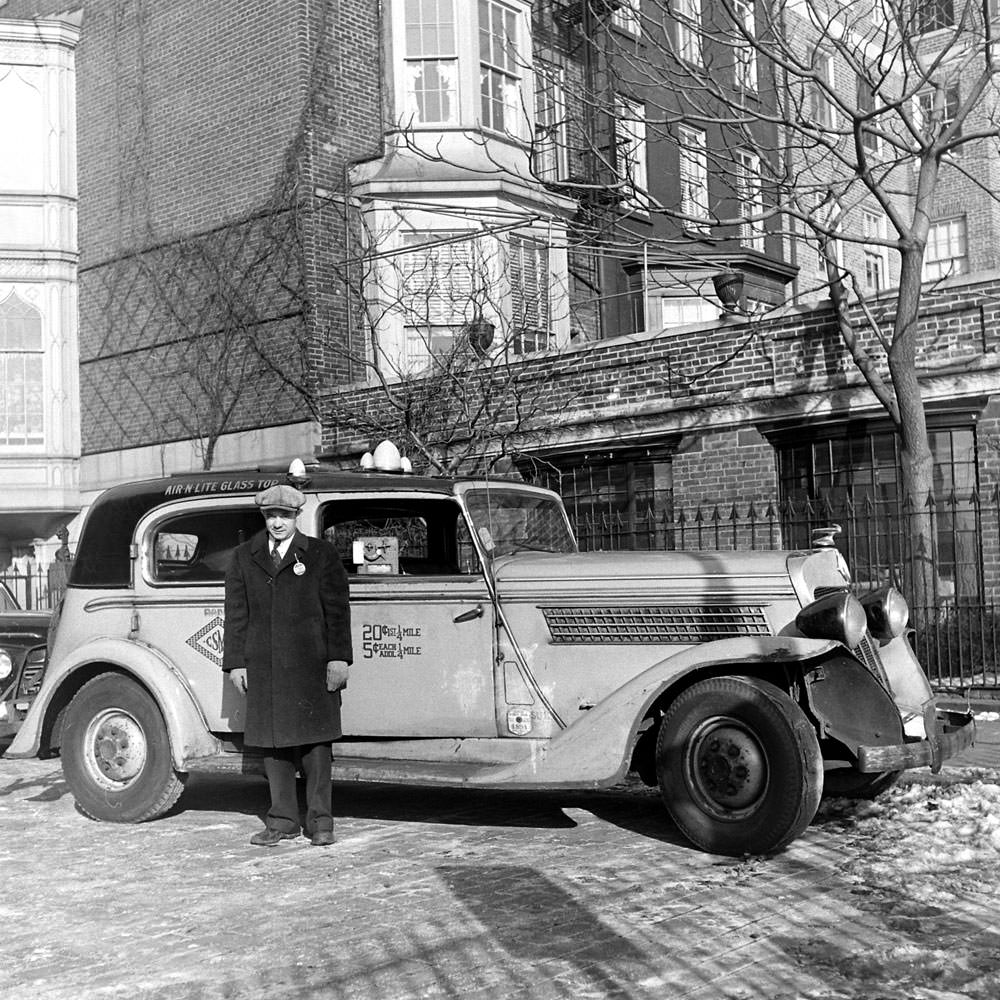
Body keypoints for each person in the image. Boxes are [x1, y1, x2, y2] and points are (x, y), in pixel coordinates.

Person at [222, 484, 352, 847]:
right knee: (273, 747)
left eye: (284, 516)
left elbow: (338, 612)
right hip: (264, 666)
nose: (277, 523)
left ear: (297, 517)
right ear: (263, 518)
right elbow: (235, 615)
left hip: (312, 666)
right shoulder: (243, 557)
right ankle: (282, 821)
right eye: (270, 516)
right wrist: (236, 664)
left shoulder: (321, 555)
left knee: (315, 749)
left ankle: (321, 822)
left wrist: (339, 658)